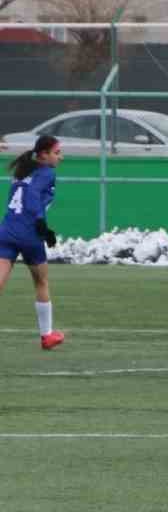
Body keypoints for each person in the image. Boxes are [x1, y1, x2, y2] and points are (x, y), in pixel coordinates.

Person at [0, 134, 65, 350]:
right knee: (41, 282)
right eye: (56, 153)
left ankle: (47, 335)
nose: (60, 157)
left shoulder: (22, 172)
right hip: (29, 234)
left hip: (7, 230)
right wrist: (41, 226)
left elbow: (18, 198)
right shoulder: (46, 172)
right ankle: (47, 336)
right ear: (44, 155)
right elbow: (34, 195)